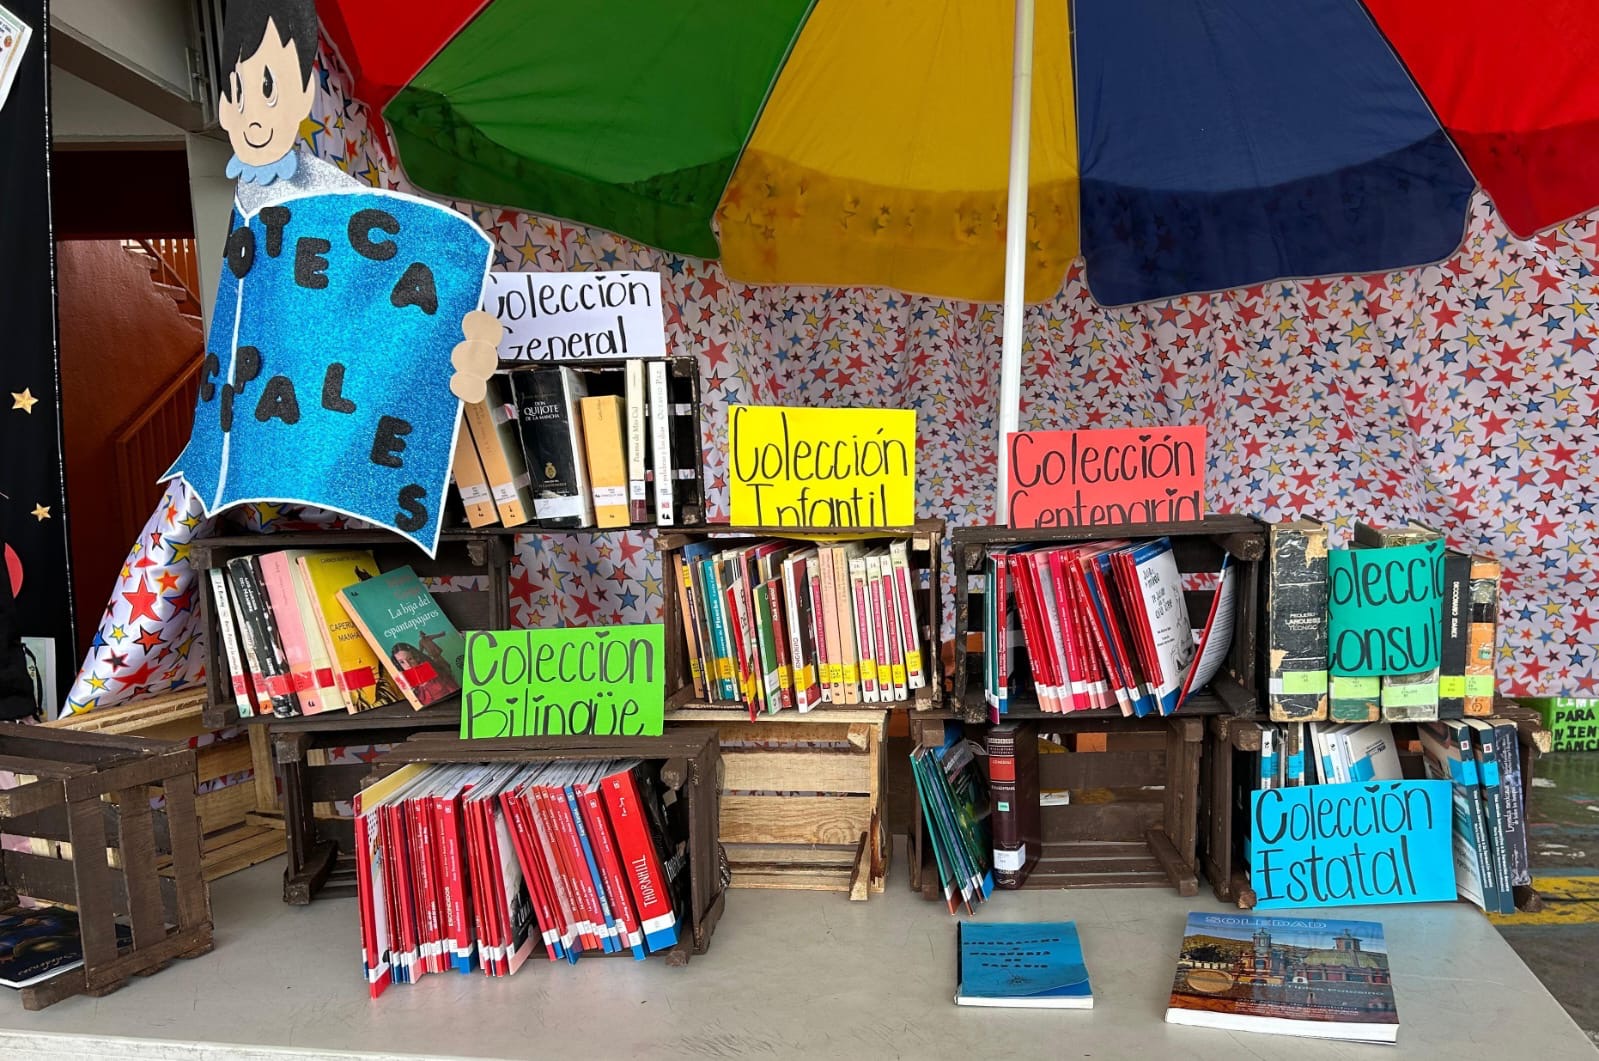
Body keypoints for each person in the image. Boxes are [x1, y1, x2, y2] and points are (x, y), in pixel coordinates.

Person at [216, 0, 500, 401]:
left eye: (268, 87)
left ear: (303, 95)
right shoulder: (245, 208)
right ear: (226, 109)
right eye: (239, 93)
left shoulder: (338, 199)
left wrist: (447, 338)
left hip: (329, 407)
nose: (255, 115)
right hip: (276, 412)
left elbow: (384, 303)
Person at [391, 641, 457, 704]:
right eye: (402, 662)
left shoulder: (436, 673)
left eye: (410, 659)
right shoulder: (404, 683)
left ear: (416, 657)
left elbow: (454, 690)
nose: (408, 664)